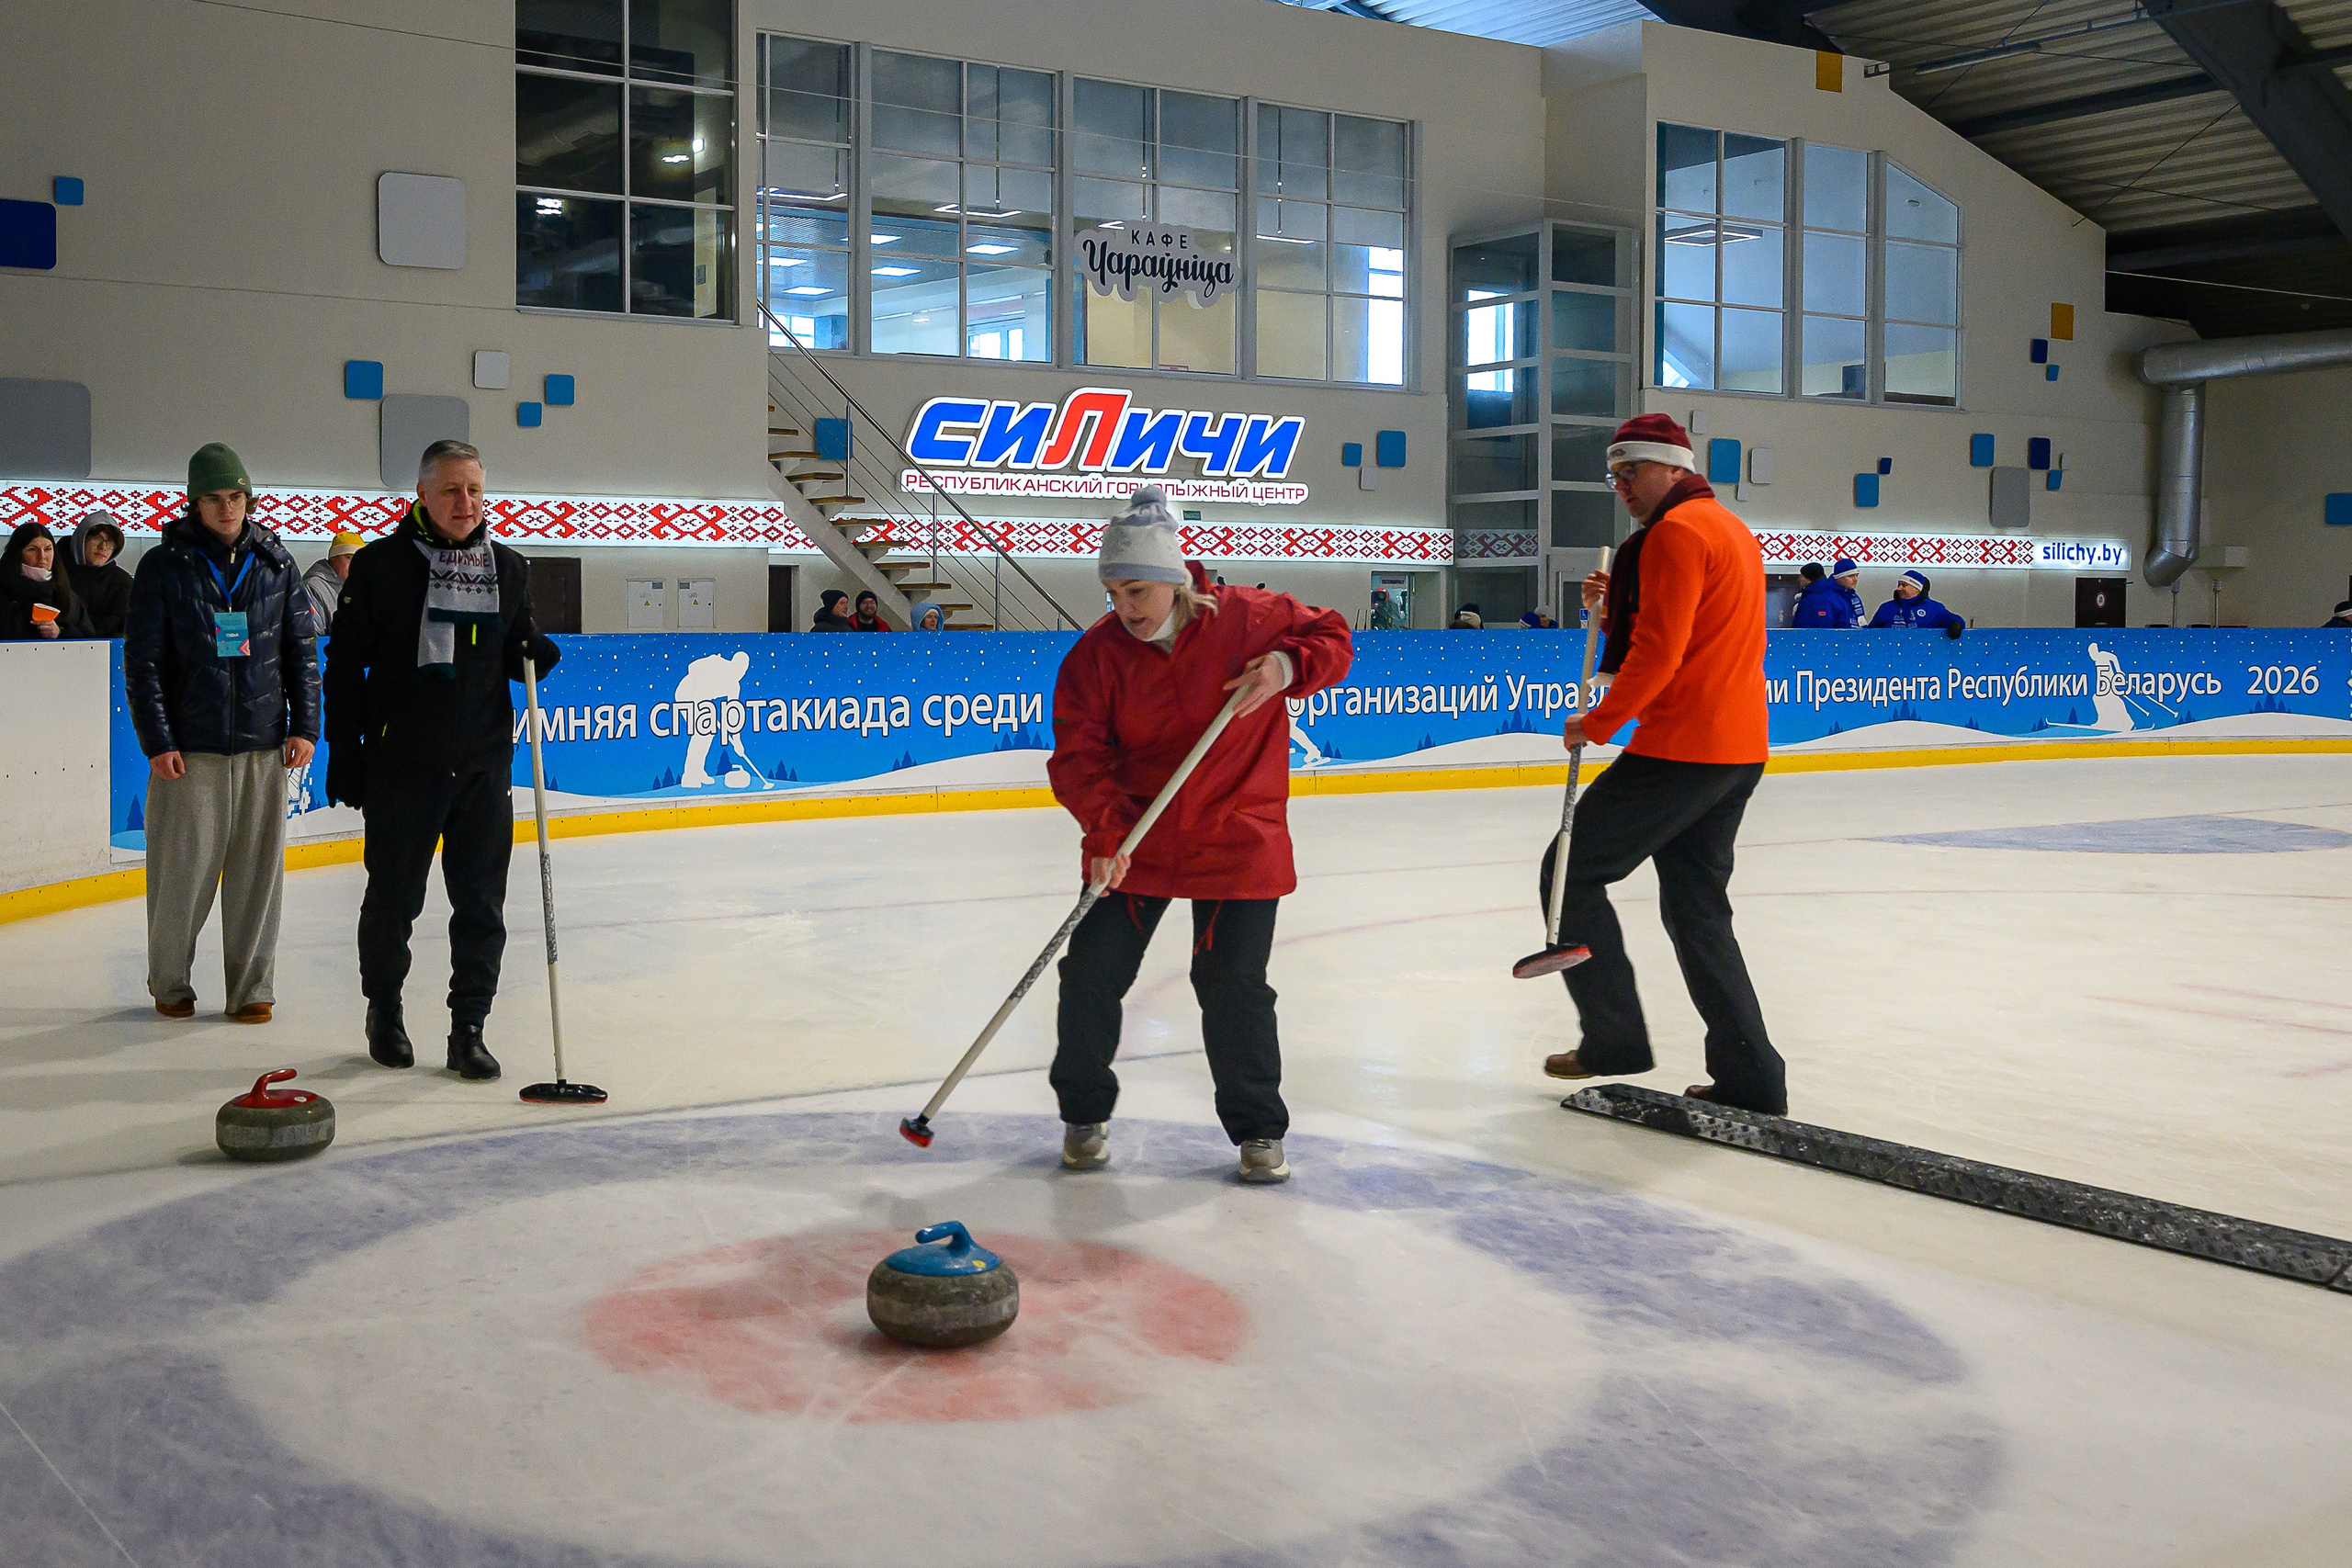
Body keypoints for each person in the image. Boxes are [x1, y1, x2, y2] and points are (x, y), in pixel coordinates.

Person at [1047, 485, 1352, 1185]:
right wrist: (1105, 833)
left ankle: (1257, 1129)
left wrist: (1287, 668)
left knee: (1231, 981)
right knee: (1090, 971)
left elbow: (1332, 636)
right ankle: (1083, 1113)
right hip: (1139, 838)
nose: (1125, 609)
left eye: (1135, 592)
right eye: (1113, 593)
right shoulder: (1096, 656)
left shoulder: (1250, 619)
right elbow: (1077, 755)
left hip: (1235, 835)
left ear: (1174, 578)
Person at [1540, 413, 1785, 1116]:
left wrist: (1601, 720)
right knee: (1698, 913)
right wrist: (1610, 605)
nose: (1620, 485)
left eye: (1632, 471)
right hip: (1735, 749)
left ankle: (1613, 1035)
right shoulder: (1726, 528)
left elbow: (1663, 651)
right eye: (1613, 474)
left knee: (1569, 871)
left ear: (1674, 467)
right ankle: (1753, 1077)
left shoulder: (1674, 535)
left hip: (1684, 748)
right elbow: (1688, 627)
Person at [323, 439, 557, 1081]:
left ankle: (468, 1028)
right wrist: (344, 747)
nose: (466, 503)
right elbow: (345, 665)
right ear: (422, 495)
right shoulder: (381, 567)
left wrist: (533, 649)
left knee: (482, 905)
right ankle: (385, 1009)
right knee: (395, 898)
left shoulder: (508, 568)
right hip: (404, 762)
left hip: (483, 763)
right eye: (452, 490)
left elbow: (512, 648)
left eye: (476, 490)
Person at [123, 443, 320, 1022]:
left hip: (263, 747)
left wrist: (306, 725)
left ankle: (253, 989)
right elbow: (143, 663)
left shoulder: (277, 565)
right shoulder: (163, 568)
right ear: (195, 504)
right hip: (191, 750)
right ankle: (170, 982)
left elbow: (300, 655)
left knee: (260, 877)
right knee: (181, 876)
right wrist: (158, 739)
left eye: (236, 497)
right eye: (215, 499)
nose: (228, 509)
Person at [3, 523, 94, 640]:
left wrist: (60, 633)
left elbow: (90, 641)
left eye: (48, 549)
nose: (42, 556)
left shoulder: (69, 597)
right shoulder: (4, 592)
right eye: (32, 550)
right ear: (17, 554)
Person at [67, 513, 134, 637]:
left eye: (110, 542)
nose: (103, 547)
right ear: (81, 539)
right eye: (98, 538)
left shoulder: (123, 584)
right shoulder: (55, 574)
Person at [301, 530, 364, 636]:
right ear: (333, 558)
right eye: (349, 558)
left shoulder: (365, 585)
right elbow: (312, 636)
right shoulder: (313, 586)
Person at [1870, 570, 1966, 637]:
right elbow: (1871, 631)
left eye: (1904, 585)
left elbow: (1949, 618)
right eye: (1899, 585)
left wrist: (1957, 623)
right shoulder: (1886, 608)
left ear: (1916, 588)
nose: (1899, 588)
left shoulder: (1933, 608)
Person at [1789, 561, 1857, 628]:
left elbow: (1822, 628)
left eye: (1801, 576)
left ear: (1808, 579)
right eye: (1851, 576)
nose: (1799, 579)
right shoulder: (1840, 596)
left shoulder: (1816, 598)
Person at [1831, 558, 1866, 626]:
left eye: (1856, 575)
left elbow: (1861, 620)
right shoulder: (1828, 598)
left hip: (1856, 634)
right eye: (1850, 576)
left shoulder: (1853, 596)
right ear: (1838, 578)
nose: (1855, 579)